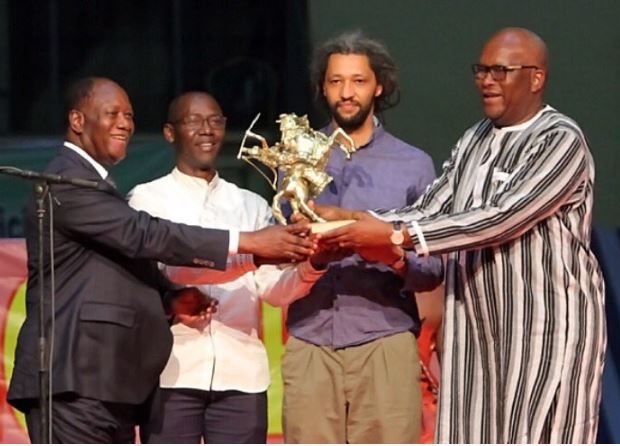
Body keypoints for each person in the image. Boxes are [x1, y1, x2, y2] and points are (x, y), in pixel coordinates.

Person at [319, 28, 607, 443]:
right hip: (476, 330)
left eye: (500, 71)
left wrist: (396, 236)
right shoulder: (474, 139)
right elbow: (431, 207)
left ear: (536, 78)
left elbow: (501, 219)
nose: (486, 80)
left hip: (545, 331)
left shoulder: (560, 140)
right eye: (481, 70)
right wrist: (349, 220)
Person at [7, 77, 316, 443]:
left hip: (109, 381)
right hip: (76, 376)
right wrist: (249, 243)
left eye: (129, 115)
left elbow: (124, 262)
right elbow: (145, 235)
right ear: (77, 120)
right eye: (112, 113)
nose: (125, 123)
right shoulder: (67, 182)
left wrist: (170, 298)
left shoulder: (100, 186)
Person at [128, 91, 341, 443]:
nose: (207, 130)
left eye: (215, 121)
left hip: (242, 377)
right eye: (194, 121)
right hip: (171, 373)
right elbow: (153, 278)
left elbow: (273, 290)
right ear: (170, 133)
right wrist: (251, 251)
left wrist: (313, 264)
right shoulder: (146, 200)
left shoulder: (250, 203)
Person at [281, 31, 444, 444]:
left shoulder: (413, 165)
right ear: (323, 87)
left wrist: (385, 250)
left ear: (379, 86)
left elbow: (433, 267)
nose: (346, 93)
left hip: (385, 338)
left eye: (357, 81)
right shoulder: (295, 162)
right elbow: (281, 255)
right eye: (336, 81)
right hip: (310, 337)